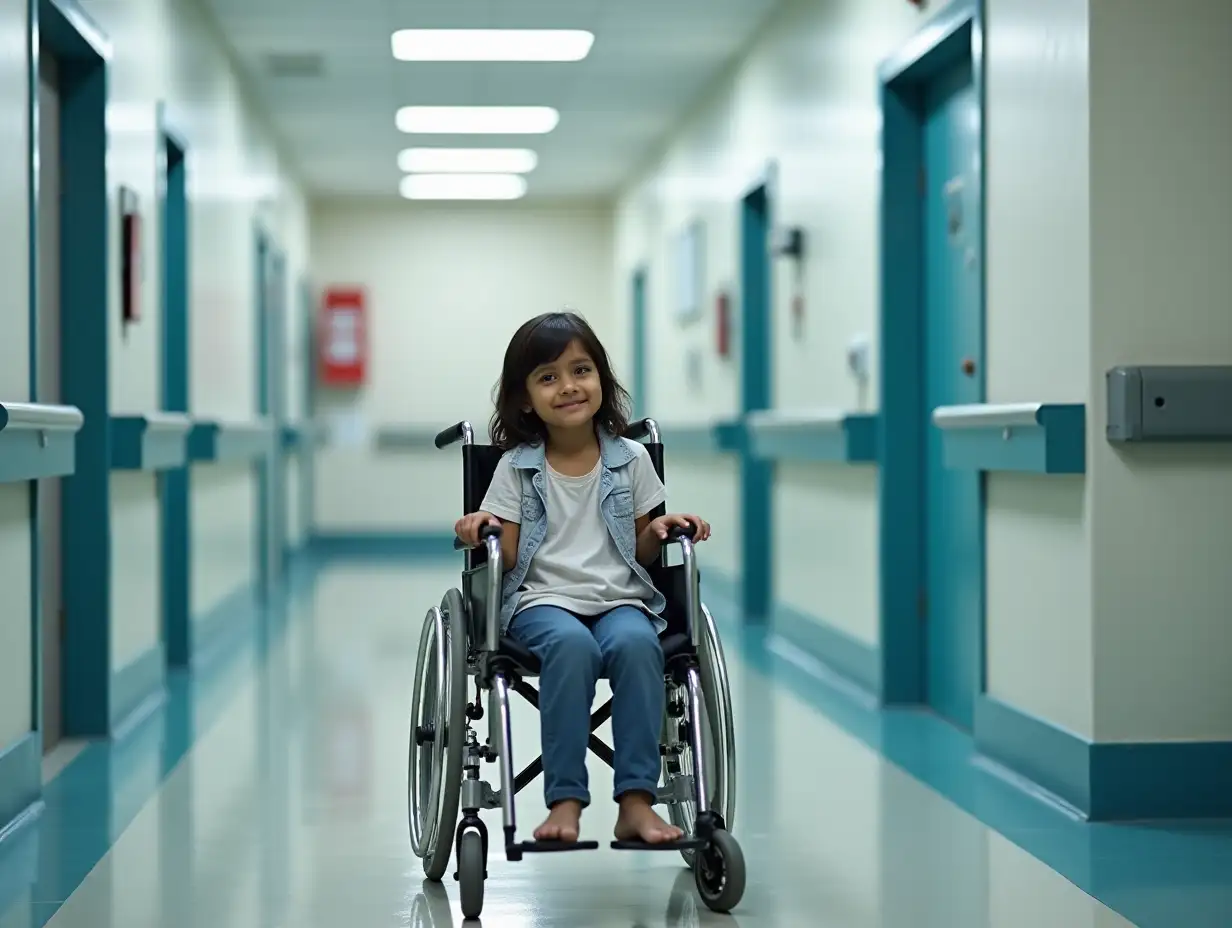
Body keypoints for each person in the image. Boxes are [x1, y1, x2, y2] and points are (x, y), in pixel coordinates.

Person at [454, 310, 711, 847]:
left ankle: (636, 803)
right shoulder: (518, 467)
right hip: (542, 602)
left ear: (601, 380)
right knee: (571, 648)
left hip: (622, 598)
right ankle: (565, 799)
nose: (568, 387)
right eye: (548, 377)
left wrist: (661, 527)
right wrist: (485, 526)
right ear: (525, 398)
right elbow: (512, 545)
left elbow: (643, 548)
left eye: (581, 370)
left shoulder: (633, 459)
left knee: (640, 645)